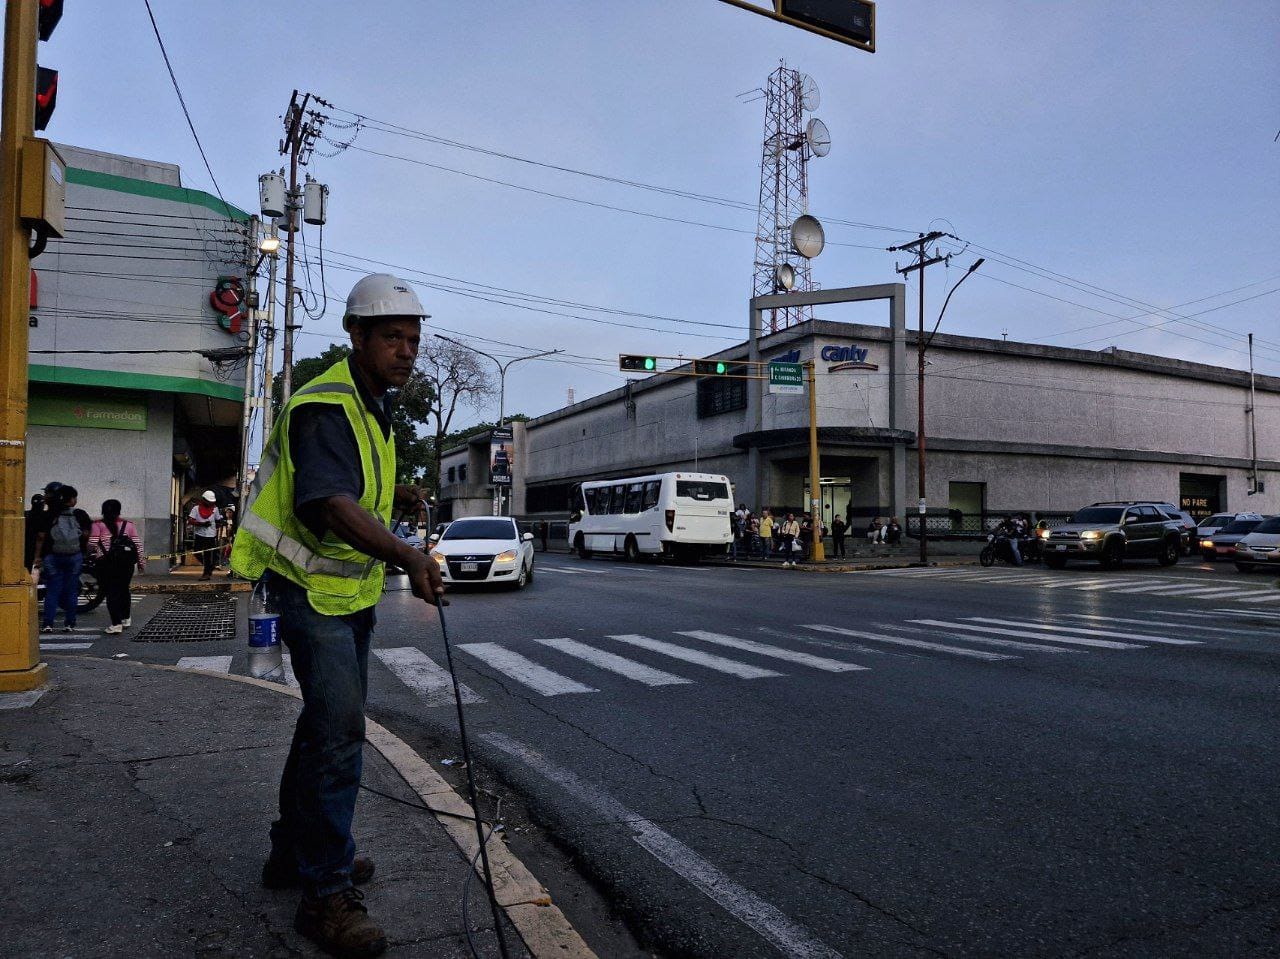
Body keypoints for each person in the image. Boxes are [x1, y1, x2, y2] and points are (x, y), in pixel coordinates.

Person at [231, 272, 444, 959]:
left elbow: (353, 492)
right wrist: (409, 556)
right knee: (337, 735)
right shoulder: (328, 405)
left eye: (413, 339)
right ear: (355, 336)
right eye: (392, 337)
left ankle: (295, 852)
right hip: (310, 592)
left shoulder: (370, 405)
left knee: (323, 727)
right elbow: (328, 502)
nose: (407, 351)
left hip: (344, 597)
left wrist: (399, 494)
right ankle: (324, 895)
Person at [32, 485, 91, 633]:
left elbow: (41, 537)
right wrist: (83, 550)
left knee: (52, 591)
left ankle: (48, 624)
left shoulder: (50, 514)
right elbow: (85, 534)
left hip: (52, 557)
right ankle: (69, 624)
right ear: (72, 500)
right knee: (71, 591)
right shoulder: (80, 514)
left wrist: (38, 557)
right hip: (74, 557)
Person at [88, 499, 144, 634]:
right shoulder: (128, 525)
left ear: (103, 511)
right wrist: (141, 562)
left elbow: (92, 544)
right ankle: (126, 618)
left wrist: (93, 555)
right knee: (124, 590)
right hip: (126, 565)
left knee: (111, 593)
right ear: (119, 511)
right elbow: (137, 545)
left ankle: (116, 624)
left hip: (106, 564)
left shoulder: (98, 525)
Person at [187, 490, 223, 580]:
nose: (210, 503)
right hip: (199, 535)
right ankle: (209, 567)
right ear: (204, 500)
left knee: (208, 555)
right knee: (196, 551)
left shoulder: (215, 509)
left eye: (211, 502)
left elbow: (218, 520)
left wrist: (219, 523)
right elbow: (190, 520)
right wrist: (201, 524)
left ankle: (206, 574)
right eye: (209, 501)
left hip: (211, 536)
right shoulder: (196, 508)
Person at [23, 492, 45, 570]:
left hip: (26, 546)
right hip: (41, 549)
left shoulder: (25, 514)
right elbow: (41, 536)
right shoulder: (45, 516)